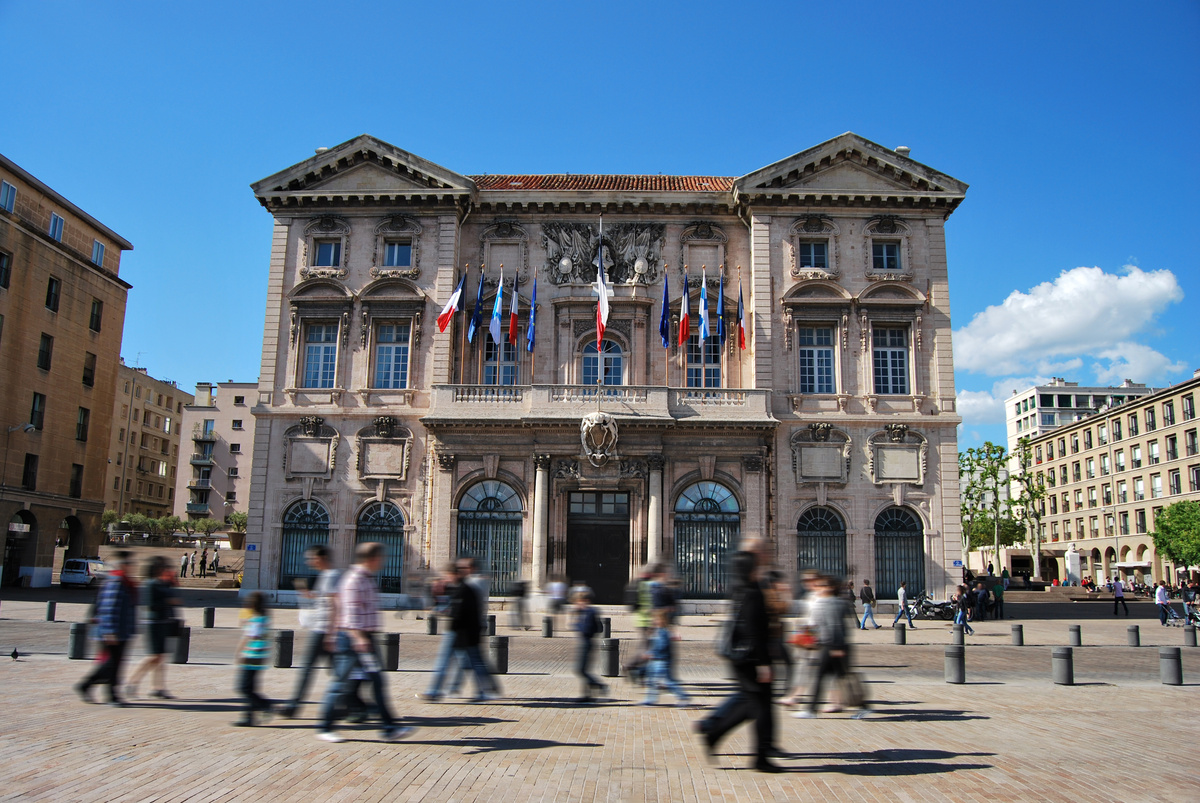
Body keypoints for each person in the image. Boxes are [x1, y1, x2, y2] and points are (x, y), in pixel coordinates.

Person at [316, 542, 412, 743]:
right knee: (339, 684)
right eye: (380, 558)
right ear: (372, 559)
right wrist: (360, 640)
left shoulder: (366, 579)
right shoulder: (354, 581)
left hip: (365, 638)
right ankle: (325, 727)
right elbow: (350, 616)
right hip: (353, 641)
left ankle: (389, 728)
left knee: (376, 683)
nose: (383, 562)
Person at [694, 549, 779, 773]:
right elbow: (754, 631)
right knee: (758, 707)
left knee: (751, 704)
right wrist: (763, 663)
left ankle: (715, 733)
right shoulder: (752, 592)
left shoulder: (739, 589)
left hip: (742, 658)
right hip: (751, 658)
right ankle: (760, 757)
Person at [282, 545, 343, 718]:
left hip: (324, 631)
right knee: (337, 671)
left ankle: (294, 705)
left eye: (312, 558)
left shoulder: (332, 575)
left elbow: (334, 604)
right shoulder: (326, 575)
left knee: (313, 669)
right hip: (322, 630)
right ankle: (351, 704)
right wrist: (310, 595)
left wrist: (331, 634)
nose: (309, 561)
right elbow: (326, 598)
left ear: (321, 559)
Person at [76, 550, 138, 706]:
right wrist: (110, 631)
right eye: (130, 564)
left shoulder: (122, 581)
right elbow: (109, 607)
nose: (133, 567)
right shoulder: (116, 581)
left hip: (120, 629)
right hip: (112, 630)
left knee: (115, 663)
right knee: (111, 663)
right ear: (123, 565)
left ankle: (110, 693)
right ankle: (88, 686)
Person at [795, 575, 850, 719]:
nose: (817, 588)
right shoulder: (836, 602)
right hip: (832, 645)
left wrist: (803, 637)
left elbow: (834, 626)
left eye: (820, 586)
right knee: (840, 677)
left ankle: (811, 709)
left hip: (831, 646)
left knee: (823, 677)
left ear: (829, 588)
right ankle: (861, 705)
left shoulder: (827, 603)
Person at [125, 556, 180, 700]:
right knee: (154, 656)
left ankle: (158, 687)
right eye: (163, 568)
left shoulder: (163, 583)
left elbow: (173, 596)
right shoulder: (150, 584)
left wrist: (171, 585)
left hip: (163, 622)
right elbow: (151, 604)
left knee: (161, 657)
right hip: (153, 623)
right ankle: (132, 682)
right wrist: (168, 600)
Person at [446, 558, 499, 702]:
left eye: (464, 568)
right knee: (467, 659)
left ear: (472, 568)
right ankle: (456, 687)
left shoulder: (474, 583)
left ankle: (484, 689)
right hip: (472, 626)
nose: (461, 571)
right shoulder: (477, 582)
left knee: (471, 659)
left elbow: (466, 604)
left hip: (471, 626)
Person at [233, 591, 273, 726]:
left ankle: (265, 705)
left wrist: (240, 653)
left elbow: (250, 637)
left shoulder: (255, 620)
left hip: (252, 655)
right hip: (261, 656)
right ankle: (249, 717)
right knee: (250, 688)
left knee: (244, 688)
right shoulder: (264, 618)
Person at [640, 609, 690, 707]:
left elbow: (663, 646)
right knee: (651, 680)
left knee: (669, 681)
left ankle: (683, 697)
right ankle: (650, 699)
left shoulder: (663, 632)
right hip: (655, 660)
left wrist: (652, 653)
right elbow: (655, 645)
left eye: (656, 619)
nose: (654, 621)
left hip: (662, 660)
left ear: (662, 620)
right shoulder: (657, 631)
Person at [573, 588, 607, 702]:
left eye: (579, 601)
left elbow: (598, 628)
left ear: (585, 600)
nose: (577, 603)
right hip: (584, 641)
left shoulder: (591, 612)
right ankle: (587, 695)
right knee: (583, 669)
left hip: (587, 642)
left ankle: (599, 685)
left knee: (581, 670)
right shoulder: (582, 612)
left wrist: (580, 627)